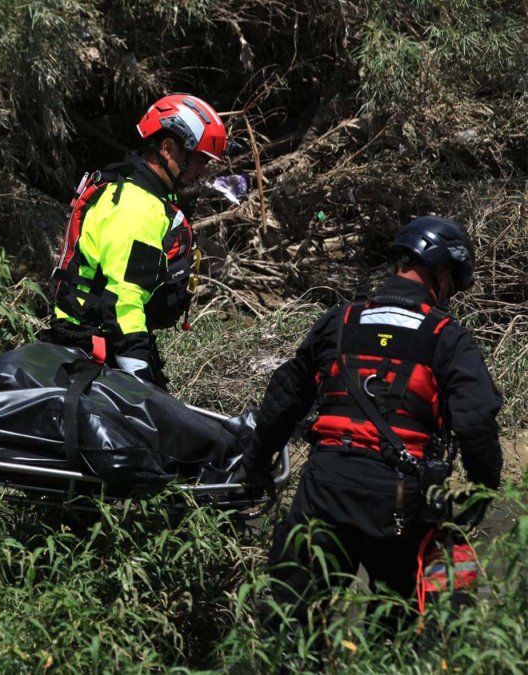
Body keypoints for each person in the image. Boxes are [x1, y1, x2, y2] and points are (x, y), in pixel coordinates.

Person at [236, 215, 503, 629]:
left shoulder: (340, 321)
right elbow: (475, 423)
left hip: (324, 487)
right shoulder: (448, 337)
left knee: (292, 625)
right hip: (399, 499)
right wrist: (481, 492)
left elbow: (284, 399)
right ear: (443, 272)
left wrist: (255, 463)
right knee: (400, 632)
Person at [44, 94, 234, 390]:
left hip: (103, 342)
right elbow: (123, 300)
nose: (202, 170)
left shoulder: (138, 193)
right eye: (198, 159)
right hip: (95, 351)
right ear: (169, 149)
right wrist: (140, 383)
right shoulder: (136, 206)